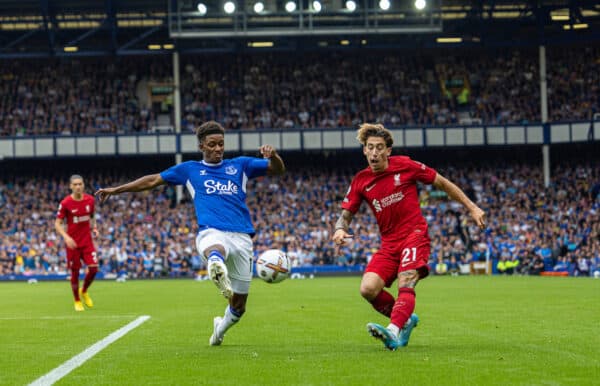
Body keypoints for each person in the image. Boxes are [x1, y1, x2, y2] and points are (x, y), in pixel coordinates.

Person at [95, 121, 285, 345]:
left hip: (243, 238)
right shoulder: (189, 169)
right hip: (211, 232)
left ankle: (219, 330)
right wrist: (117, 190)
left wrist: (273, 156)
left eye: (221, 144)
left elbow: (277, 169)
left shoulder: (240, 165)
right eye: (212, 144)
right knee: (216, 248)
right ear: (202, 146)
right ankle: (216, 263)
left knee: (239, 306)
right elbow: (153, 180)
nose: (217, 149)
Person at [332, 123, 485, 351]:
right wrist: (339, 229)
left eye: (379, 148)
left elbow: (442, 183)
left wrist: (472, 208)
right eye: (370, 147)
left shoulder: (405, 166)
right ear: (364, 150)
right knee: (368, 289)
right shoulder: (361, 181)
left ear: (388, 151)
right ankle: (404, 320)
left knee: (407, 279)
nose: (374, 153)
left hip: (415, 235)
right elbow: (345, 215)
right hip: (389, 244)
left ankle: (393, 332)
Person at [55, 174, 100, 312]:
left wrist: (94, 228)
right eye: (75, 184)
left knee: (94, 269)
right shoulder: (65, 203)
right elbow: (57, 224)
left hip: (87, 242)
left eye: (80, 184)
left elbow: (92, 216)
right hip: (73, 243)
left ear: (83, 185)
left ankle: (84, 290)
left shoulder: (90, 200)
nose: (78, 186)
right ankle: (77, 300)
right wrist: (66, 237)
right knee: (75, 272)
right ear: (70, 186)